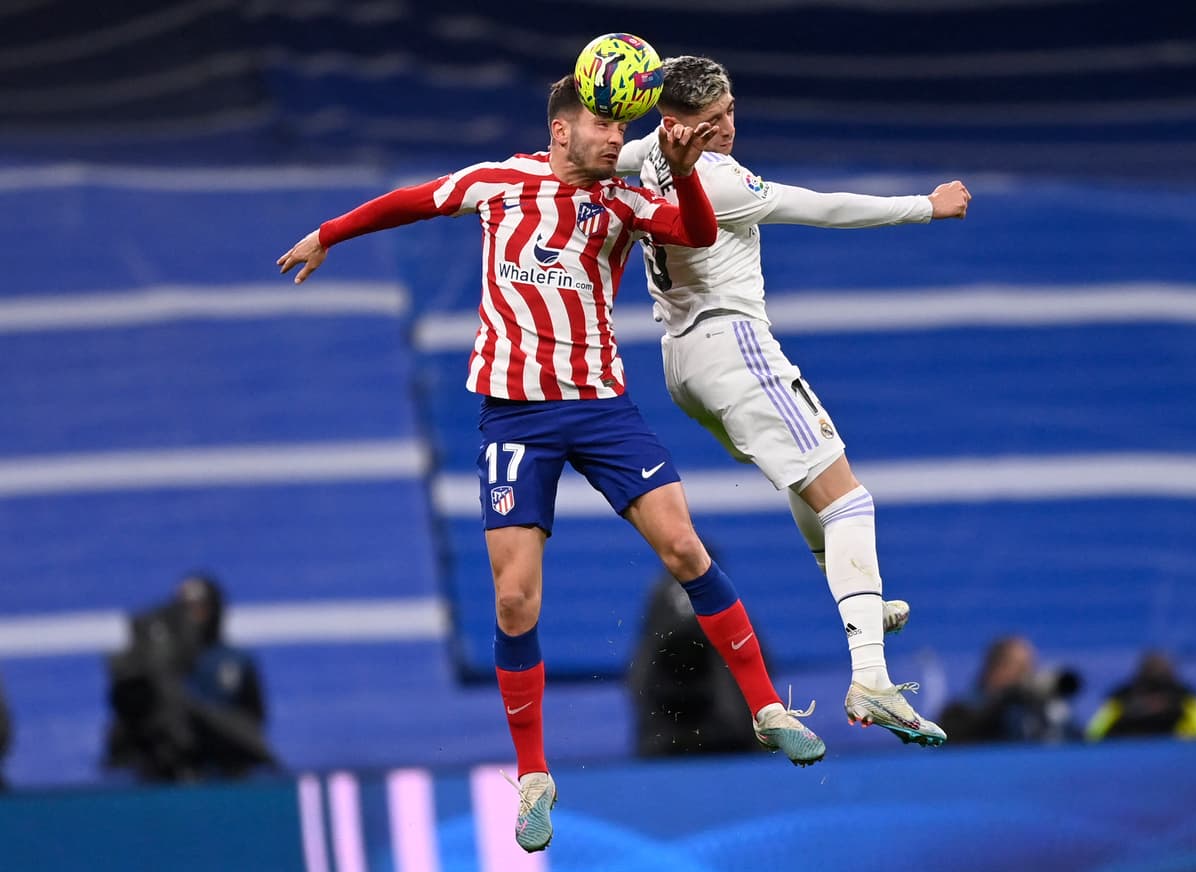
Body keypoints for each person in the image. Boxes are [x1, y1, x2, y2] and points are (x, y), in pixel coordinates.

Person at [278, 75, 826, 854]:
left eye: (624, 129)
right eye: (606, 127)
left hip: (601, 409)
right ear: (562, 132)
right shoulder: (499, 183)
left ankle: (769, 708)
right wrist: (330, 233)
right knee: (512, 603)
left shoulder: (624, 203)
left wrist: (683, 164)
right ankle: (534, 776)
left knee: (684, 549)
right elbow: (409, 199)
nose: (617, 140)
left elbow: (696, 233)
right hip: (515, 415)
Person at [615, 56, 971, 747]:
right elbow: (821, 208)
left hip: (682, 365)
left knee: (802, 478)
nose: (724, 129)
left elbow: (608, 154)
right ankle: (870, 674)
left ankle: (856, 600)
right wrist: (928, 205)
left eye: (729, 112)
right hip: (731, 343)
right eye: (708, 120)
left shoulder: (644, 154)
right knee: (849, 500)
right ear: (675, 121)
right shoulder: (718, 179)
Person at [104, 573, 273, 782]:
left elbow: (253, 723)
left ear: (216, 609)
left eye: (200, 607)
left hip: (223, 773)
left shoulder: (236, 661)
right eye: (184, 608)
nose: (193, 615)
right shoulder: (153, 663)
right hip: (164, 777)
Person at [628, 561, 764, 757]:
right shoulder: (665, 598)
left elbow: (639, 671)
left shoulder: (660, 594)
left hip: (696, 730)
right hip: (709, 728)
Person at [937, 635, 1082, 744]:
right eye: (1020, 668)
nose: (1028, 675)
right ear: (995, 670)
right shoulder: (960, 711)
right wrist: (1007, 699)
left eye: (1031, 667)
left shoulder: (1035, 714)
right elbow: (958, 737)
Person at [1085, 650, 1196, 741]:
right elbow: (1094, 735)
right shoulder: (1121, 700)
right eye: (1150, 687)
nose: (1154, 700)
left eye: (1161, 688)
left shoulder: (1186, 700)